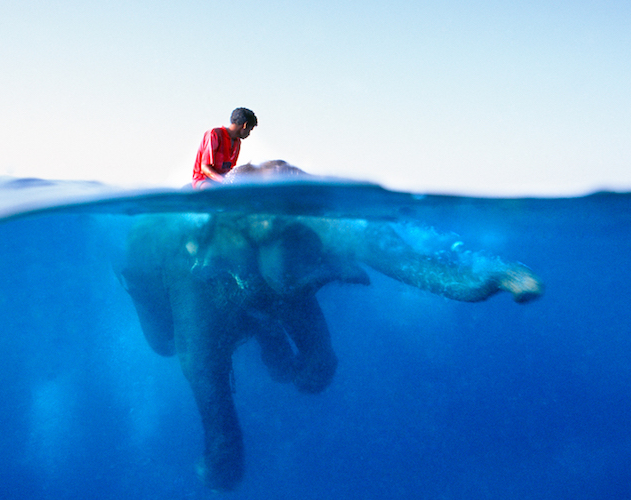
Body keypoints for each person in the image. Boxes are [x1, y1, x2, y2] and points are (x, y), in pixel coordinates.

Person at [120, 161, 543, 491]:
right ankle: (259, 326)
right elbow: (202, 367)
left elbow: (364, 259)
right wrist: (223, 450)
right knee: (169, 344)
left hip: (263, 284)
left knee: (293, 318)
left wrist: (483, 277)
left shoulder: (292, 229)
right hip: (199, 295)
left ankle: (263, 315)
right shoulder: (192, 244)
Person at [192, 108, 258, 189]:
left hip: (221, 181)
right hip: (203, 180)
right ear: (245, 125)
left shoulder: (237, 142)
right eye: (249, 130)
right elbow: (205, 167)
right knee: (214, 192)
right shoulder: (214, 134)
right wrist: (224, 181)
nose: (249, 134)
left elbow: (229, 170)